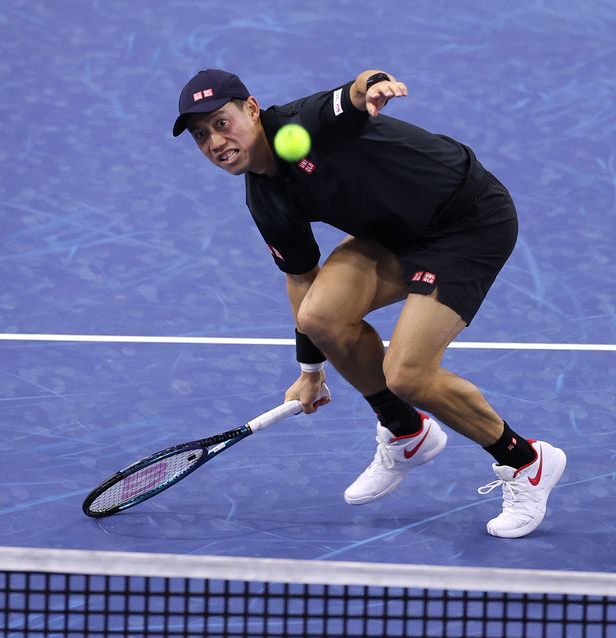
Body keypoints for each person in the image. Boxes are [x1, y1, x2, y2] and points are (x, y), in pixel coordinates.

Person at [172, 68, 566, 538]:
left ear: (252, 109)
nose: (215, 142)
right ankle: (406, 431)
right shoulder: (265, 198)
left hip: (467, 222)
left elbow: (354, 93)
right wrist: (310, 372)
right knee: (318, 317)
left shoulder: (301, 123)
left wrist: (374, 85)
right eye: (201, 135)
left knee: (408, 375)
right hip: (395, 234)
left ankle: (526, 461)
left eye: (221, 123)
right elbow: (300, 278)